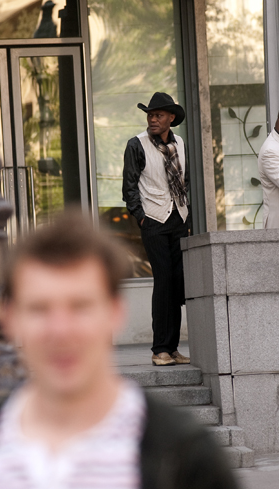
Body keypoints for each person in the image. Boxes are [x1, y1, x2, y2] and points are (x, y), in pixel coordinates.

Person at [0, 212, 245, 489]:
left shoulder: (185, 455)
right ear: (9, 318)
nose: (60, 331)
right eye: (39, 309)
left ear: (115, 312)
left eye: (80, 306)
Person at [122, 92, 191, 367]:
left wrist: (188, 216)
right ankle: (159, 348)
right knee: (163, 282)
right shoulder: (136, 145)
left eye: (158, 115)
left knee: (176, 285)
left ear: (171, 118)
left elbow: (184, 181)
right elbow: (129, 187)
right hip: (153, 220)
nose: (152, 119)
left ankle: (172, 348)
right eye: (150, 115)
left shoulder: (180, 143)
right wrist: (141, 218)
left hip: (179, 219)